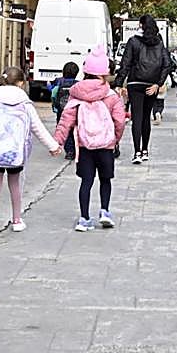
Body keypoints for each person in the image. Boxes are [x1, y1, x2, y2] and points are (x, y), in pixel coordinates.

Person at [0, 66, 60, 235]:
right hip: (16, 152)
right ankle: (16, 220)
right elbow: (37, 127)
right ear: (21, 83)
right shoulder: (24, 102)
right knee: (15, 185)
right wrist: (53, 146)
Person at [53, 45, 126, 232]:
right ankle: (105, 211)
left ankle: (84, 218)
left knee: (86, 182)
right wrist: (115, 139)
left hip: (85, 145)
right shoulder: (111, 96)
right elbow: (119, 120)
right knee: (105, 180)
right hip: (105, 146)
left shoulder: (76, 94)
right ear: (104, 73)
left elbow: (66, 119)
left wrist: (57, 141)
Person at [115, 15, 173, 164]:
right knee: (146, 117)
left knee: (137, 118)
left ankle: (137, 152)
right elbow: (168, 64)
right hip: (151, 85)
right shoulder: (159, 43)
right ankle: (145, 150)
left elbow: (125, 64)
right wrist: (158, 83)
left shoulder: (133, 41)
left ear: (141, 25)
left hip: (135, 83)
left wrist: (119, 83)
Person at [48, 62, 79, 160]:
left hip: (61, 112)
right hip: (75, 112)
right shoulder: (78, 84)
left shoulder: (59, 83)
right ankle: (76, 149)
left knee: (65, 131)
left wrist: (49, 86)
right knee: (74, 131)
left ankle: (69, 151)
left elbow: (53, 92)